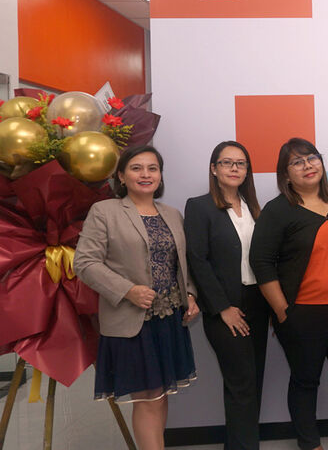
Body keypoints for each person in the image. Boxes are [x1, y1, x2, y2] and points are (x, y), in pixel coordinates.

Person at [74, 145, 200, 450]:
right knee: (148, 398)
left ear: (160, 175)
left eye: (152, 168)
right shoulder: (105, 211)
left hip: (170, 319)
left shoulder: (172, 214)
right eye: (136, 168)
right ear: (121, 175)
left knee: (160, 397)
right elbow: (85, 263)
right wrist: (127, 290)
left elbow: (182, 262)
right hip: (133, 322)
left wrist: (192, 295)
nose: (145, 174)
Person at [250, 138, 328, 450]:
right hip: (302, 313)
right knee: (305, 381)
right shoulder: (277, 210)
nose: (308, 166)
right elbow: (260, 262)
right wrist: (282, 311)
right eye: (297, 162)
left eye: (312, 158)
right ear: (286, 175)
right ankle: (309, 444)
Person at [184, 141, 268, 450]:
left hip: (258, 305)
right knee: (241, 384)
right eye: (227, 162)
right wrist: (222, 308)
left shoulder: (256, 209)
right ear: (214, 168)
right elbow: (198, 260)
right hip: (225, 308)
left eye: (241, 163)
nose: (234, 168)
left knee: (253, 381)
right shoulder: (199, 206)